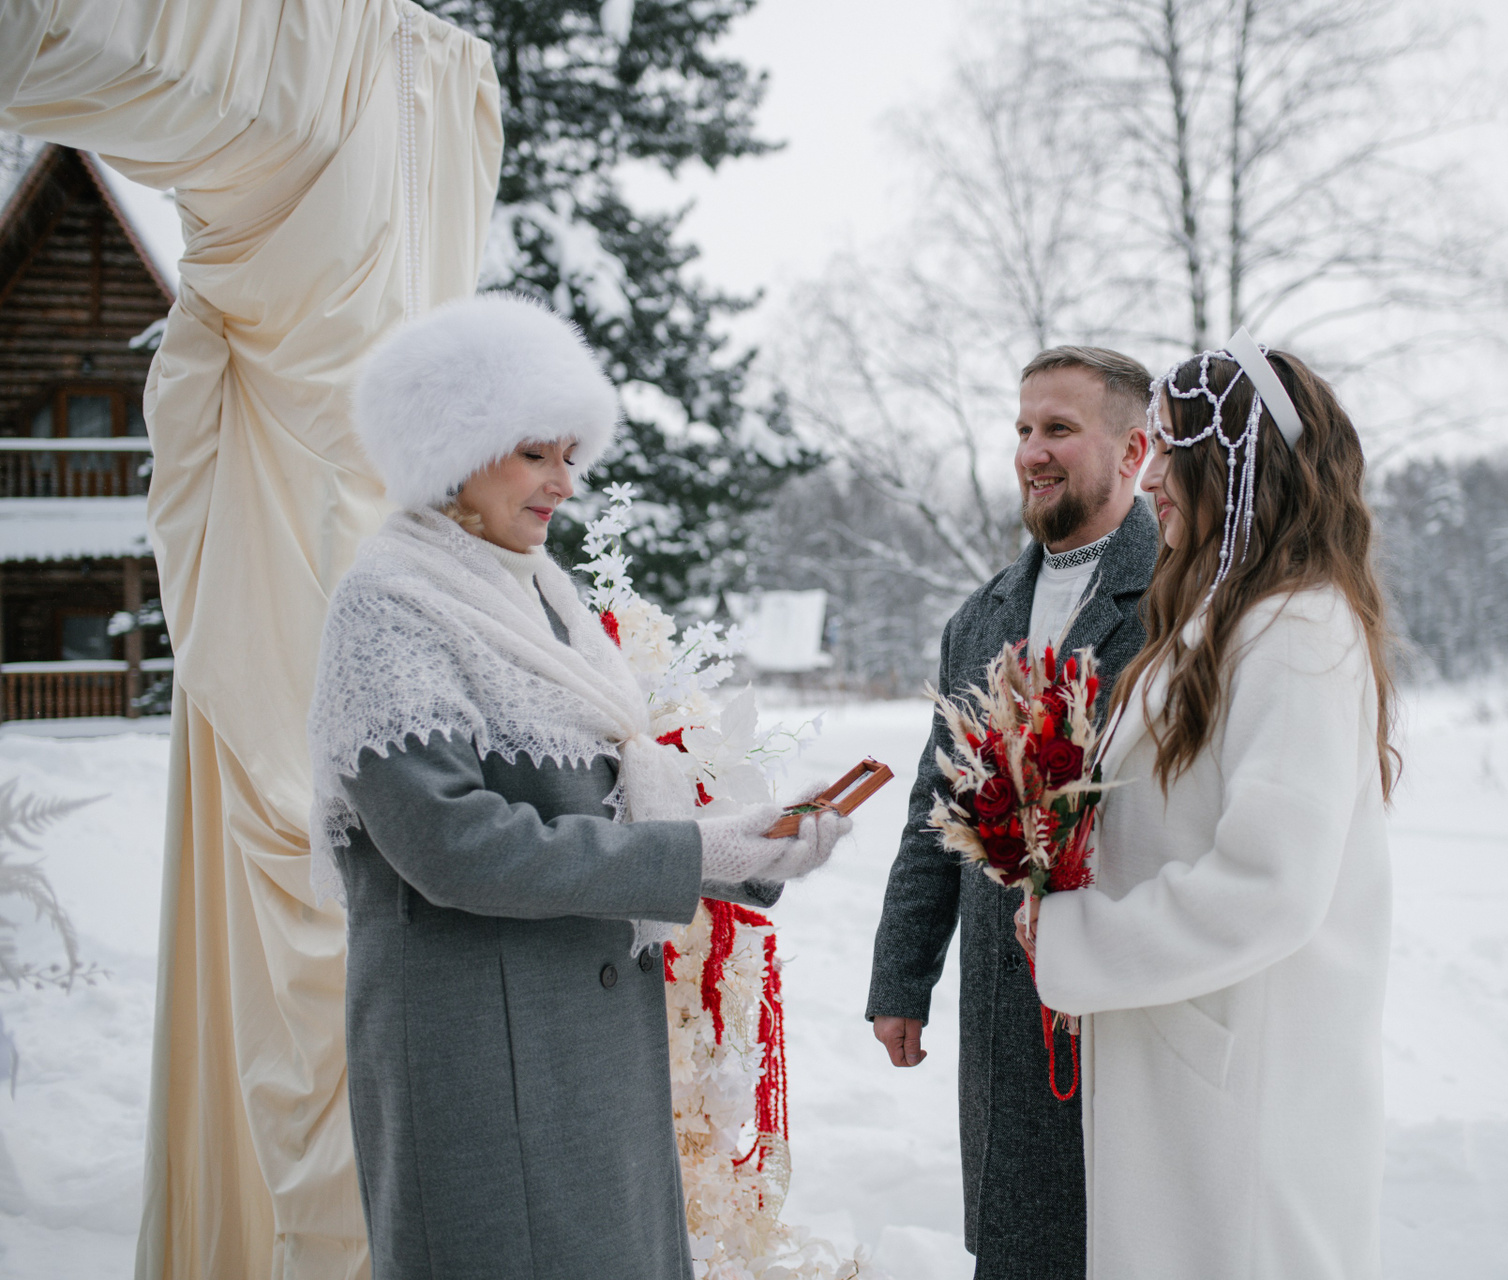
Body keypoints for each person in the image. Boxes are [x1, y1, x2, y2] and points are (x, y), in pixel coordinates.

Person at [307, 293, 849, 1279]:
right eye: (535, 453)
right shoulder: (390, 607)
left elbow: (585, 807)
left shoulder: (538, 597)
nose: (566, 481)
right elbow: (451, 843)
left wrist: (743, 842)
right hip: (486, 1058)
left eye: (570, 453)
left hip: (583, 1054)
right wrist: (693, 851)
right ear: (450, 452)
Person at [1025, 335, 1398, 1280]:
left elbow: (1271, 885)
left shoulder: (1295, 629)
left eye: (1171, 451)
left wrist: (1080, 942)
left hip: (1242, 1088)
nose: (1150, 477)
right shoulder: (1220, 619)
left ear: (1235, 468)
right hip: (1184, 1057)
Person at [867, 346, 1157, 1279]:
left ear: (1135, 450)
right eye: (1024, 428)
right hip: (1003, 1009)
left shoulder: (1182, 599)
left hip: (1132, 993)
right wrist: (901, 976)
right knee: (1021, 1247)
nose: (1032, 451)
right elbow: (938, 805)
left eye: (1059, 428)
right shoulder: (980, 615)